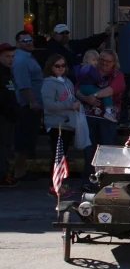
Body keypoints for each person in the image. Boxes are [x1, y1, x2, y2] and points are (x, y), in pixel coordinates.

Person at [76, 49, 125, 192]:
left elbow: (111, 90)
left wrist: (94, 95)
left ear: (114, 63)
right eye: (102, 59)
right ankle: (88, 181)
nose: (104, 63)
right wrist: (87, 98)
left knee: (107, 149)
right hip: (89, 116)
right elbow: (77, 89)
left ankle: (107, 181)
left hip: (108, 118)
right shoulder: (90, 70)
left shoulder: (117, 75)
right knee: (89, 150)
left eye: (108, 61)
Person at [41, 54, 81, 197]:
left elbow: (72, 98)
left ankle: (61, 184)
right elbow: (49, 104)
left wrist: (76, 104)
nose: (61, 68)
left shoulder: (68, 82)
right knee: (57, 155)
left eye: (63, 65)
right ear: (50, 67)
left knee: (63, 155)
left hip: (68, 124)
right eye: (57, 66)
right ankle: (55, 186)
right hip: (56, 124)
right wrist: (70, 106)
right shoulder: (48, 83)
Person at [12, 30, 44, 181]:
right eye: (25, 41)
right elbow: (24, 85)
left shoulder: (29, 57)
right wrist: (32, 102)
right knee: (23, 139)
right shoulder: (20, 60)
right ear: (18, 43)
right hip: (27, 106)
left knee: (29, 138)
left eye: (30, 40)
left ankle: (23, 169)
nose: (29, 42)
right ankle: (19, 171)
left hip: (34, 105)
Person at [41, 23, 110, 72]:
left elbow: (88, 41)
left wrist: (104, 34)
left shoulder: (72, 44)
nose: (65, 35)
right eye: (61, 33)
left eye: (66, 32)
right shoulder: (52, 49)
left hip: (78, 79)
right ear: (54, 35)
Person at [74, 50, 117, 122]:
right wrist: (103, 80)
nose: (96, 62)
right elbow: (97, 77)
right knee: (105, 93)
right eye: (94, 60)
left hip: (82, 88)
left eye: (97, 60)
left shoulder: (79, 67)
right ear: (87, 60)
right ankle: (108, 112)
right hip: (88, 87)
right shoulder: (90, 68)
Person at [0, 44, 19, 187]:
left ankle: (4, 174)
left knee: (6, 146)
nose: (10, 60)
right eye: (7, 56)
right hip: (3, 116)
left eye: (13, 56)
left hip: (10, 116)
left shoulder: (10, 73)